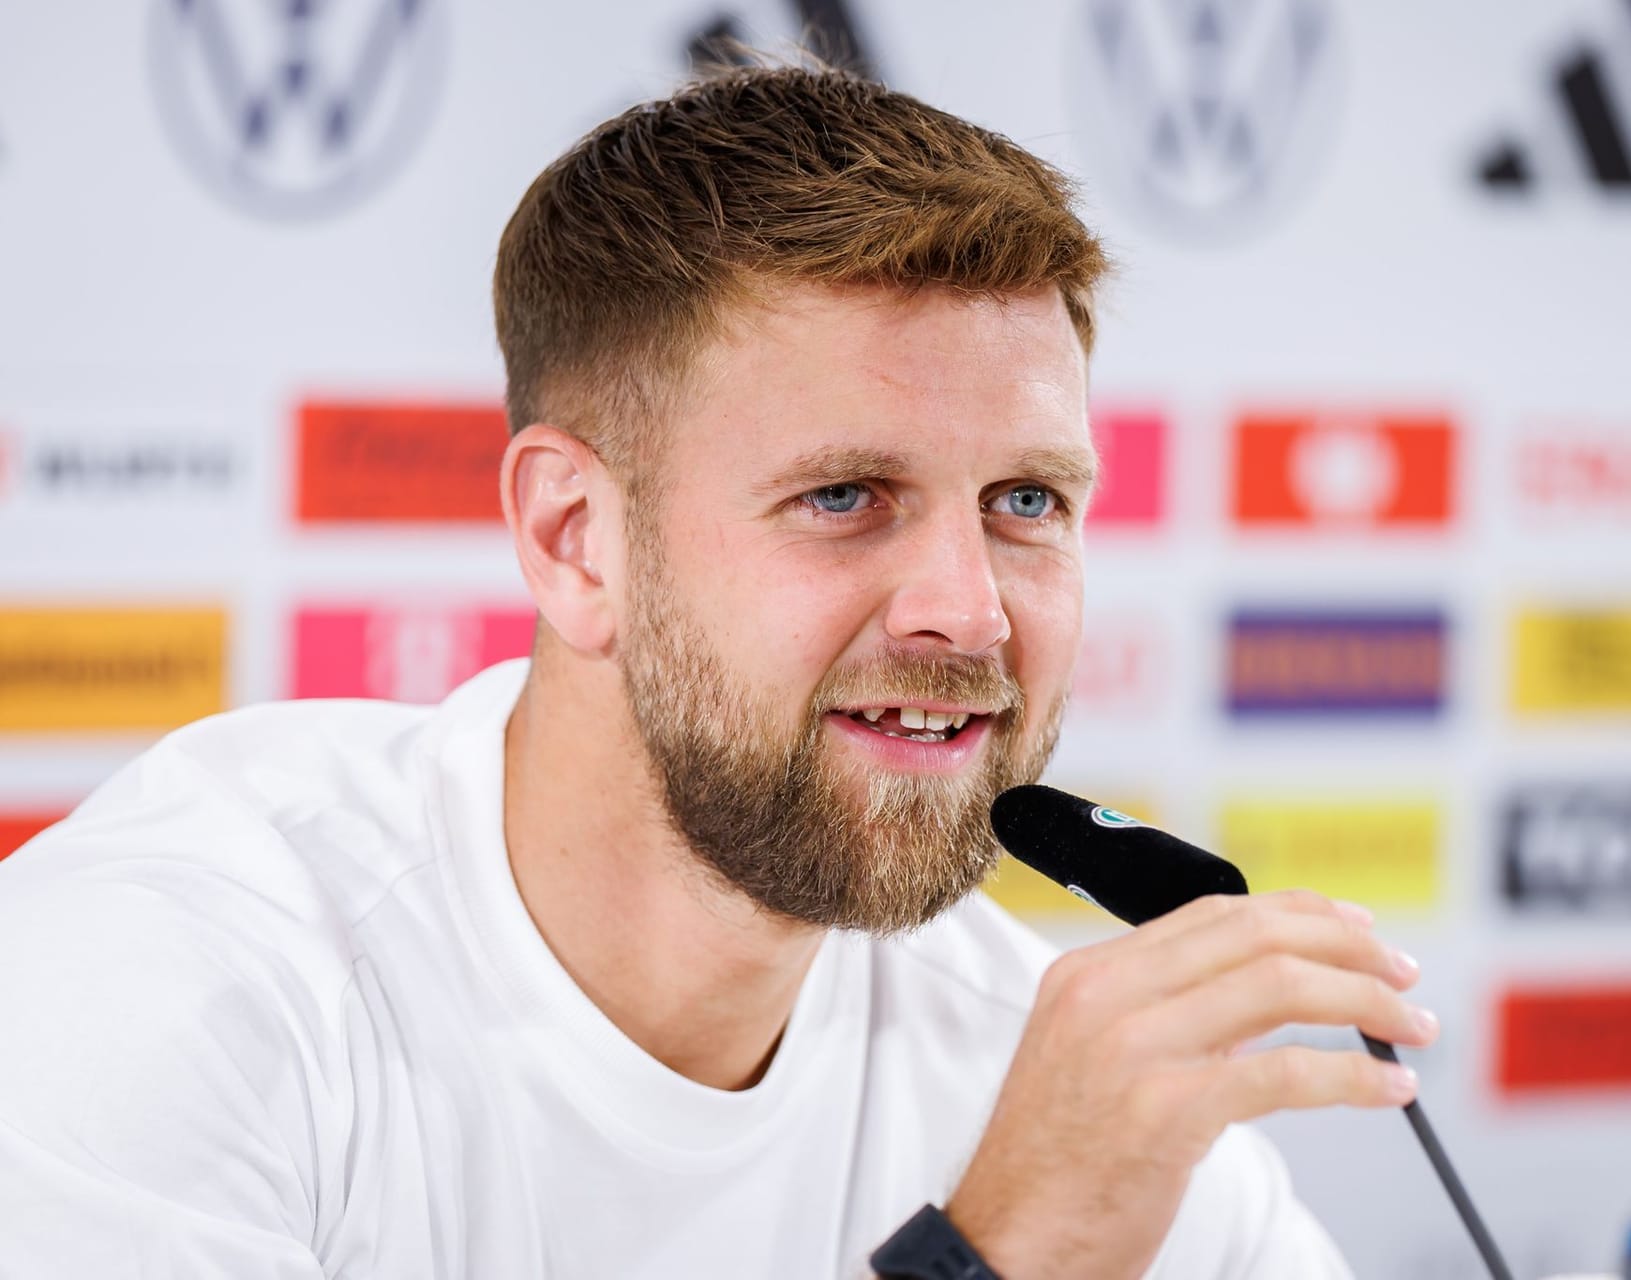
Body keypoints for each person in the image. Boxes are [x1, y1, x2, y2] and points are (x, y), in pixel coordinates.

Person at [0, 63, 1437, 1278]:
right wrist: (994, 1256)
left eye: (1027, 503)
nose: (971, 615)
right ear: (576, 540)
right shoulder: (163, 987)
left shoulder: (1049, 1065)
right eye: (844, 496)